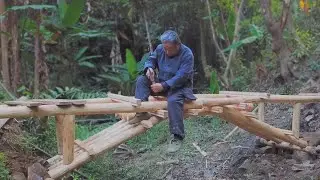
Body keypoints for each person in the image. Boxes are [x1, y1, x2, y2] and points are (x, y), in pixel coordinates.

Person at [129, 30, 196, 153]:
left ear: (178, 45)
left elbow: (182, 76)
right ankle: (142, 113)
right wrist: (149, 67)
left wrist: (163, 86)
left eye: (170, 49)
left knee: (174, 100)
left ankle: (177, 136)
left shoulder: (187, 54)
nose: (166, 52)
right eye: (165, 49)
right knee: (141, 80)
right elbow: (151, 59)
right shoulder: (160, 48)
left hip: (179, 87)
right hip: (161, 82)